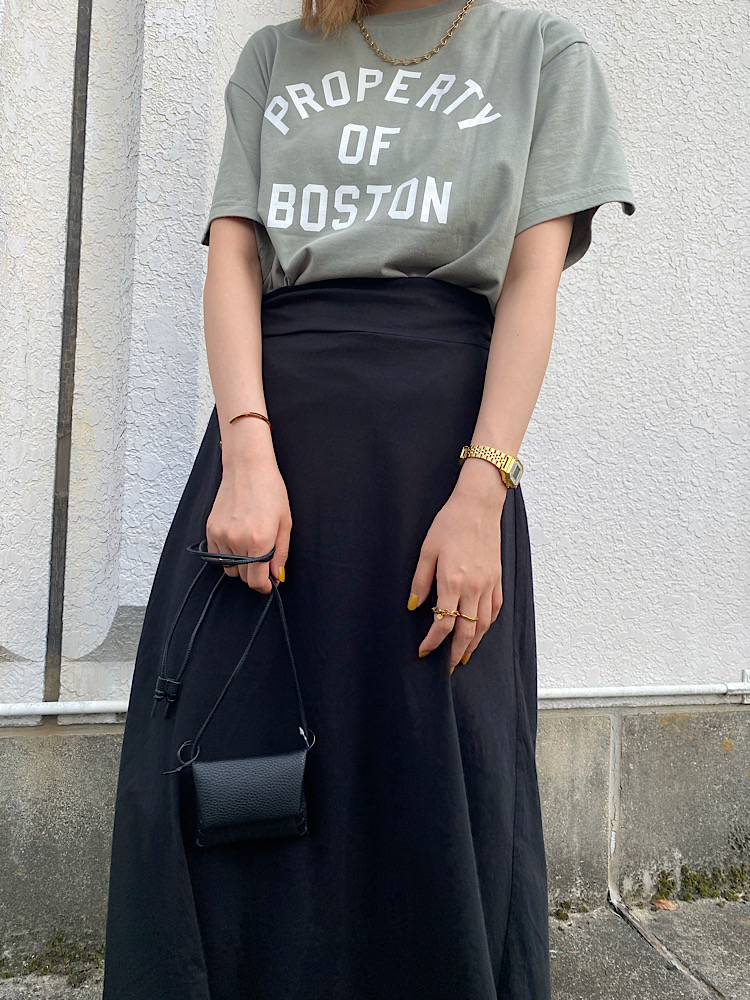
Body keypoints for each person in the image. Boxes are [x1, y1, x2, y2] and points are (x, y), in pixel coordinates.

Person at [101, 0, 636, 997]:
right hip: (274, 443)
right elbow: (234, 258)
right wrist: (245, 452)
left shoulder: (541, 53)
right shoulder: (275, 54)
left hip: (438, 457)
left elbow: (532, 282)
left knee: (434, 763)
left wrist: (482, 490)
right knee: (226, 753)